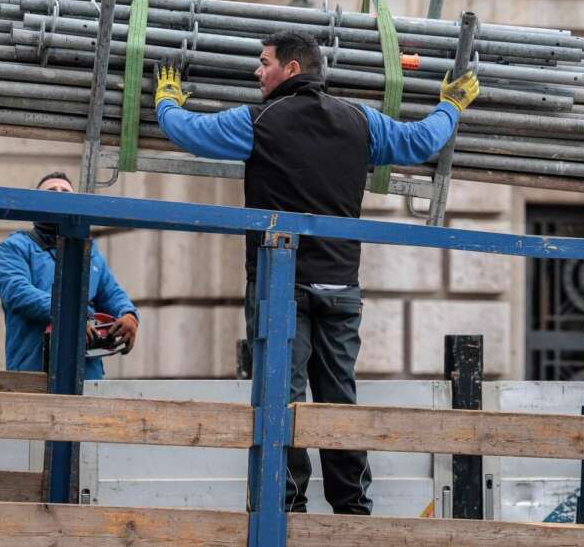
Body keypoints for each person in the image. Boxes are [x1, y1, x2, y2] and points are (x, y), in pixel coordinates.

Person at [153, 31, 479, 515]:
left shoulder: (260, 121)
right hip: (341, 285)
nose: (258, 73)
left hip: (280, 284)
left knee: (280, 397)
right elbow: (420, 141)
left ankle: (285, 508)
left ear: (291, 68)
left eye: (264, 63)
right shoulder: (361, 121)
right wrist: (450, 105)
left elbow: (189, 133)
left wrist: (166, 102)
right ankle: (352, 510)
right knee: (338, 398)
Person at [0, 171, 139, 379]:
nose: (60, 194)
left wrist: (129, 315)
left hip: (88, 375)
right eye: (52, 191)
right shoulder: (14, 248)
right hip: (33, 373)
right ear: (35, 205)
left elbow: (112, 293)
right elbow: (18, 292)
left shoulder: (89, 253)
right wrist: (70, 315)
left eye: (65, 191)